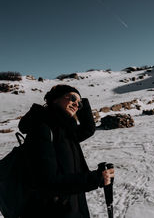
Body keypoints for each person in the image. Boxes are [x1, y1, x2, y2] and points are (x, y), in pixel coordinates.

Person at [18, 84, 114, 218]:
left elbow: (88, 129)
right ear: (55, 99)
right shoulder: (42, 130)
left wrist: (81, 102)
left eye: (79, 104)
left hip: (72, 207)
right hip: (53, 212)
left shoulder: (65, 131)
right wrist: (95, 178)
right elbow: (48, 182)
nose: (76, 104)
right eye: (72, 98)